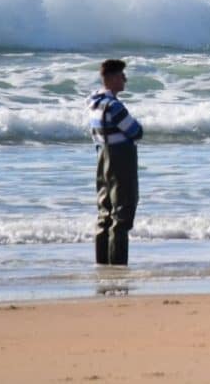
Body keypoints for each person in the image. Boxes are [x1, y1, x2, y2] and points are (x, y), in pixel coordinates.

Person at [89, 58, 143, 266]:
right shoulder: (114, 106)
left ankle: (102, 264)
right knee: (122, 215)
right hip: (120, 161)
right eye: (122, 76)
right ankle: (118, 266)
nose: (125, 80)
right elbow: (136, 131)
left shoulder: (94, 103)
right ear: (111, 78)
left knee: (105, 214)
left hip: (102, 159)